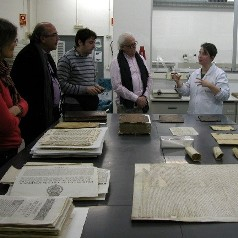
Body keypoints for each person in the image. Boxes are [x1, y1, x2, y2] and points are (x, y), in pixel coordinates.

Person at [11, 22, 61, 145]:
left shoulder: (46, 55)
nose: (57, 38)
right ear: (43, 38)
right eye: (54, 35)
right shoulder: (29, 55)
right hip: (35, 119)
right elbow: (26, 91)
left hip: (48, 114)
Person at [172, 42, 230, 114]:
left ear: (212, 58)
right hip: (193, 117)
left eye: (204, 54)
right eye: (200, 53)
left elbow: (225, 96)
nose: (200, 56)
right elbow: (186, 92)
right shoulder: (195, 74)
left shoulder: (219, 74)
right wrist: (178, 83)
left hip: (211, 118)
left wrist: (210, 86)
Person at [0, 18, 28, 166]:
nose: (14, 44)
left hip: (11, 146)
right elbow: (6, 124)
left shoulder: (4, 74)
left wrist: (16, 109)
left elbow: (23, 102)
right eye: (12, 40)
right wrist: (17, 113)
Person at [57, 28, 104, 112]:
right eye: (90, 42)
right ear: (80, 42)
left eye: (94, 42)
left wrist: (95, 86)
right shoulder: (66, 59)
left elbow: (88, 82)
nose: (94, 46)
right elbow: (61, 84)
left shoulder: (89, 59)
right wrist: (85, 89)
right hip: (74, 105)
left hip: (90, 103)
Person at [110, 32, 152, 113]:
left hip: (143, 104)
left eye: (134, 44)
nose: (133, 48)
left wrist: (145, 96)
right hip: (126, 107)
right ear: (122, 47)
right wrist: (136, 99)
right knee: (126, 126)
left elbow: (149, 78)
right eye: (130, 46)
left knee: (144, 125)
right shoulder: (116, 62)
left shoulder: (141, 59)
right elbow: (117, 86)